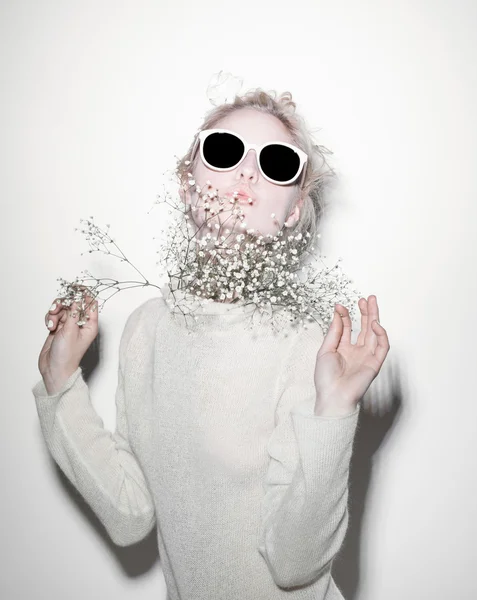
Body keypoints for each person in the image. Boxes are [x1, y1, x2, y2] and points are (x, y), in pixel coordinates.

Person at [32, 88, 389, 599]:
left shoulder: (311, 346)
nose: (247, 172)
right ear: (187, 184)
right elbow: (130, 516)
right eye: (224, 151)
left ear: (292, 212)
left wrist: (333, 412)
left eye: (276, 163)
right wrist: (61, 385)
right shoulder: (146, 329)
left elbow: (294, 565)